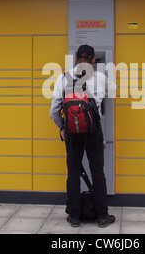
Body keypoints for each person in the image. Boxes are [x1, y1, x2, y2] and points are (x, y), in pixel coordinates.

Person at [50, 44, 116, 228]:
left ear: (76, 58)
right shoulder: (100, 77)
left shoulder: (63, 78)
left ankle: (74, 217)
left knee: (73, 173)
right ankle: (102, 216)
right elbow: (114, 90)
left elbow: (54, 110)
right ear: (94, 60)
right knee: (98, 172)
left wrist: (62, 127)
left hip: (72, 133)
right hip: (93, 132)